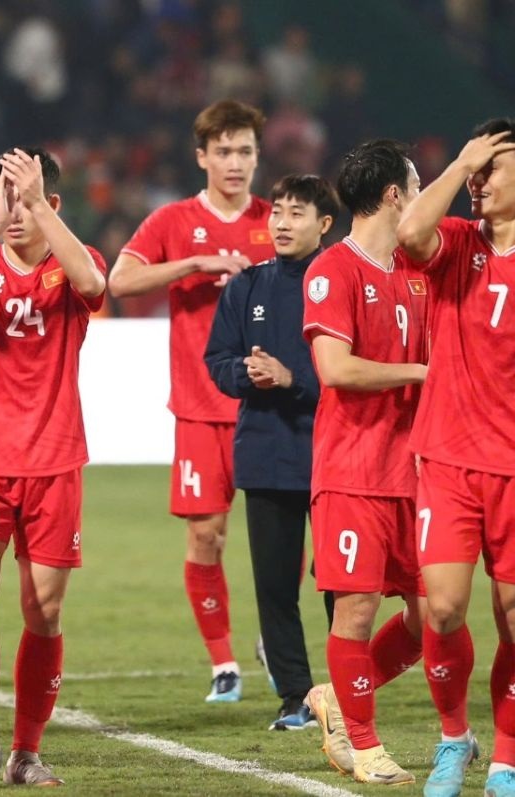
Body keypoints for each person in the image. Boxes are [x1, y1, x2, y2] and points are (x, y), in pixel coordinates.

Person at [0, 146, 105, 788]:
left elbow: (94, 284)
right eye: (0, 199)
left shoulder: (72, 263)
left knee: (43, 611)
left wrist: (36, 205)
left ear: (52, 206)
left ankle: (26, 753)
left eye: (27, 201)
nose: (13, 213)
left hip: (55, 462)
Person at [108, 100, 275, 701]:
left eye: (246, 152)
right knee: (208, 538)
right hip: (202, 408)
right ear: (201, 156)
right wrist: (194, 264)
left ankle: (275, 642)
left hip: (273, 408)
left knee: (279, 537)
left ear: (259, 157)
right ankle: (223, 662)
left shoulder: (277, 221)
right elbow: (119, 281)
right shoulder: (173, 221)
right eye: (224, 151)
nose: (235, 163)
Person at [299, 140, 430, 786]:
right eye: (417, 184)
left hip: (417, 473)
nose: (423, 195)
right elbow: (336, 368)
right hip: (352, 470)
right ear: (393, 195)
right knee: (355, 613)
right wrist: (426, 372)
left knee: (433, 616)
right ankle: (365, 742)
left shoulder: (416, 270)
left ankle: (336, 696)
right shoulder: (332, 270)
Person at [396, 120, 515, 797]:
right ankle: (453, 739)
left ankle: (505, 757)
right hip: (447, 457)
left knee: (513, 616)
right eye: (474, 168)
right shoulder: (457, 244)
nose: (478, 180)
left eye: (493, 168)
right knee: (441, 608)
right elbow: (411, 232)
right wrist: (461, 161)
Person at [204, 174, 338, 731]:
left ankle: (348, 687)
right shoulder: (247, 286)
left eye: (296, 213)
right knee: (275, 585)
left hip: (334, 453)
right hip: (266, 453)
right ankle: (296, 697)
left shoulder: (343, 280)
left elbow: (356, 367)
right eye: (277, 212)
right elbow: (217, 360)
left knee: (338, 581)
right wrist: (245, 373)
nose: (281, 223)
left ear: (324, 224)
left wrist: (293, 378)